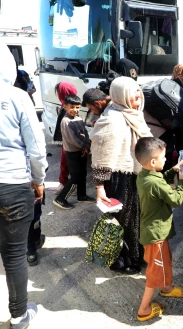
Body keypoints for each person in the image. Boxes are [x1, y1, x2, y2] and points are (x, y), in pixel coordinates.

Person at [0, 42, 48, 328]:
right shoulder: (17, 97)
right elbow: (37, 147)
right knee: (14, 254)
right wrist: (39, 180)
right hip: (13, 184)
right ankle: (18, 315)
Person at [90, 76, 152, 274]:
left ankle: (136, 256)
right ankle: (118, 260)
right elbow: (101, 155)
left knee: (136, 219)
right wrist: (100, 186)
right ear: (121, 95)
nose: (138, 96)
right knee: (121, 222)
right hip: (117, 179)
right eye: (133, 93)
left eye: (138, 91)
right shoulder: (111, 119)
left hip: (136, 175)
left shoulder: (135, 114)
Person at [134, 137, 183, 322]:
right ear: (152, 161)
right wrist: (182, 181)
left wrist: (171, 171)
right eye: (164, 157)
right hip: (155, 236)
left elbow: (159, 182)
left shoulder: (145, 175)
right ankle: (144, 309)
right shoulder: (154, 182)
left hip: (153, 233)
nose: (166, 159)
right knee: (154, 273)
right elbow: (176, 199)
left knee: (164, 264)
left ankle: (166, 289)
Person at [53, 95, 95, 209]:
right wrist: (84, 146)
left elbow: (85, 133)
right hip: (73, 153)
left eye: (77, 107)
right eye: (72, 107)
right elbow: (73, 139)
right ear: (65, 106)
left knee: (83, 174)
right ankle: (60, 199)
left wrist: (87, 145)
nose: (75, 110)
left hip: (82, 151)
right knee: (75, 177)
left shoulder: (79, 119)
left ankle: (82, 196)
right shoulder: (66, 121)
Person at [50, 81, 79, 194]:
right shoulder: (70, 105)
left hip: (68, 142)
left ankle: (64, 187)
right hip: (69, 142)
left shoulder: (68, 108)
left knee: (66, 163)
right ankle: (66, 185)